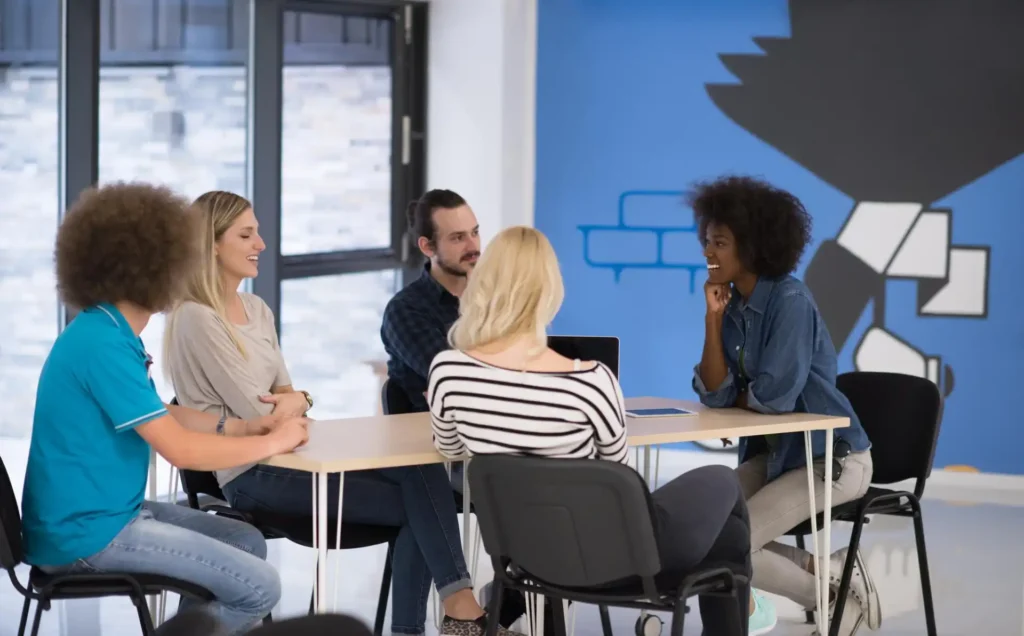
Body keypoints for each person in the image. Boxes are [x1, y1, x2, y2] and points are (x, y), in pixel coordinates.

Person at [163, 191, 517, 636]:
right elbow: (262, 413)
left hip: (292, 458)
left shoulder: (256, 309)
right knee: (424, 504)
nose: (261, 245)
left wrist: (299, 401)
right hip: (250, 473)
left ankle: (455, 617)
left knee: (422, 476)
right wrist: (291, 405)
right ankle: (451, 618)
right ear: (212, 245)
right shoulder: (197, 317)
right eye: (247, 235)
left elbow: (288, 394)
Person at [428, 226, 753, 636]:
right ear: (549, 291)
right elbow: (620, 474)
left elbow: (449, 447)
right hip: (617, 561)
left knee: (730, 535)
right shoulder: (591, 381)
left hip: (527, 558)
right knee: (725, 483)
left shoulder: (448, 371)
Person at [21, 183, 311, 635]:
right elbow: (181, 451)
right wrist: (275, 441)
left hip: (110, 515)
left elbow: (161, 412)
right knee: (260, 587)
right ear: (151, 269)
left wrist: (243, 427)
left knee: (243, 539)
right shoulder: (102, 345)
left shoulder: (109, 331)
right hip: (88, 535)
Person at [689, 175, 881, 636]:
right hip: (779, 457)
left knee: (733, 546)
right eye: (706, 241)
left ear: (752, 246)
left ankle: (831, 601)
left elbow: (772, 398)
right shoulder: (734, 306)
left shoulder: (790, 300)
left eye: (719, 242)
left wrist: (743, 397)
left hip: (831, 460)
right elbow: (716, 394)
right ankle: (831, 571)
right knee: (700, 530)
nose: (708, 252)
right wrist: (713, 319)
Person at [381, 189, 481, 412]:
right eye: (458, 238)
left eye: (474, 233)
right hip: (427, 429)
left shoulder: (493, 296)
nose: (473, 247)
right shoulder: (405, 310)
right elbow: (460, 380)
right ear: (427, 247)